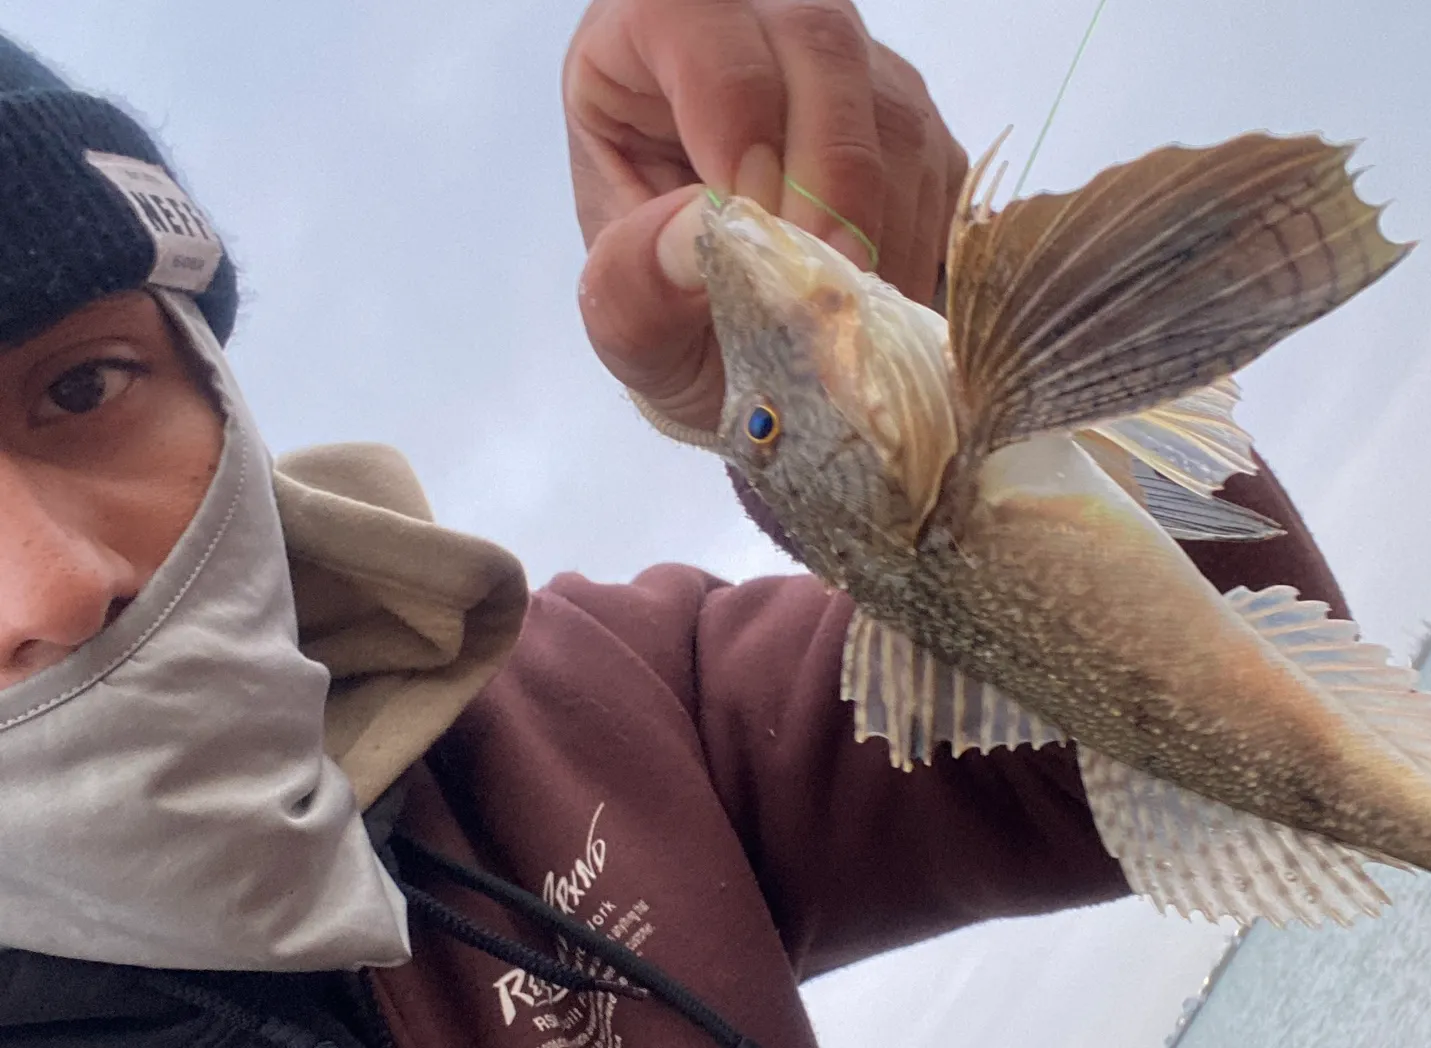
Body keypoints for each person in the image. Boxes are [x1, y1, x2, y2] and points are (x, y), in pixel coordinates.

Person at [0, 1, 1348, 1046]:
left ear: (210, 383)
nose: (55, 592)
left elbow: (1211, 755)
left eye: (82, 384)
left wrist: (959, 347)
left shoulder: (594, 703)